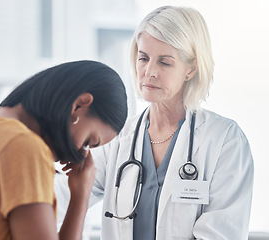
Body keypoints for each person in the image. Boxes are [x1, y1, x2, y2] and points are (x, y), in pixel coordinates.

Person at [55, 6, 254, 240]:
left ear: (191, 69)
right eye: (143, 58)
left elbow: (221, 233)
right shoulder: (118, 139)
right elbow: (57, 199)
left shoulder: (224, 141)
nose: (149, 72)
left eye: (165, 62)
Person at [0, 60, 128, 240]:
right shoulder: (23, 146)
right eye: (88, 142)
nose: (81, 153)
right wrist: (81, 197)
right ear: (79, 105)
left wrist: (79, 195)